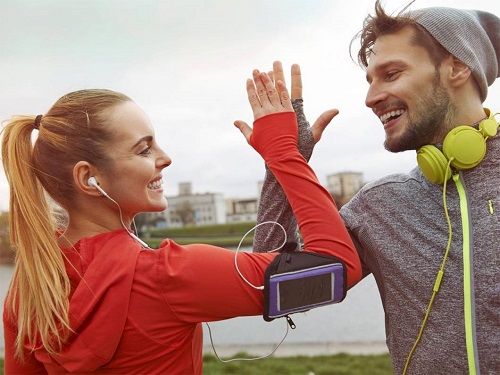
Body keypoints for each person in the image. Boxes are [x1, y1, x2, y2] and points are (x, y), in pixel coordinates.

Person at [1, 73, 362, 373]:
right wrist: (284, 154)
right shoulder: (169, 275)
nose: (166, 158)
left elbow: (268, 268)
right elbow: (336, 269)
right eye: (144, 149)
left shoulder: (31, 285)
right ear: (89, 178)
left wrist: (278, 170)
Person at [252, 2, 499, 374]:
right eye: (370, 81)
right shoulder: (379, 206)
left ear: (457, 67)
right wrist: (284, 161)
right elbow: (278, 290)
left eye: (391, 74)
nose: (371, 98)